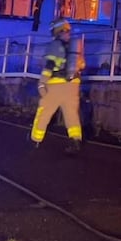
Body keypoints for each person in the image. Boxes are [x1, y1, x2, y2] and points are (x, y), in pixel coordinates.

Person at [30, 17, 85, 153]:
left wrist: (42, 83)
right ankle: (75, 141)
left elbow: (49, 65)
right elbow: (82, 65)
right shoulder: (75, 47)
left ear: (55, 30)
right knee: (71, 114)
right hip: (73, 86)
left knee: (44, 113)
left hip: (55, 85)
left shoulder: (54, 45)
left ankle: (35, 140)